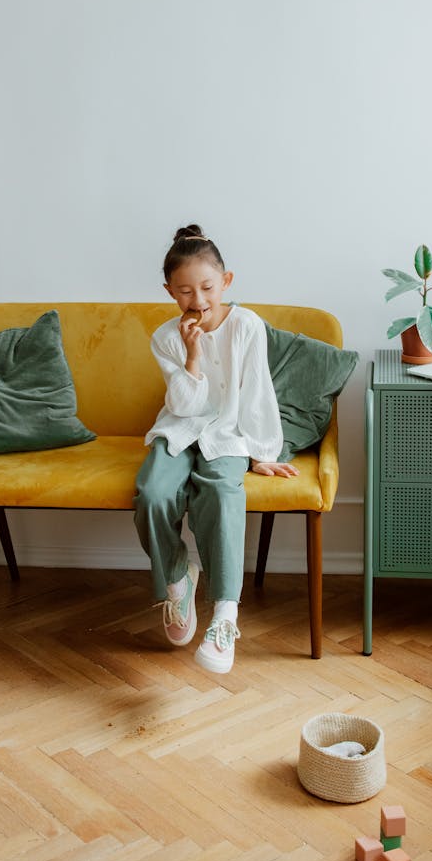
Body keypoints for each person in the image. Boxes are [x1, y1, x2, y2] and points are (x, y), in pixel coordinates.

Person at [134, 224, 298, 673]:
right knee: (151, 491)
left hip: (226, 433)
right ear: (170, 292)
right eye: (185, 291)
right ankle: (177, 578)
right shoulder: (166, 337)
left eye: (207, 287)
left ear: (226, 282)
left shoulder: (247, 325)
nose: (198, 301)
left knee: (223, 493)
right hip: (179, 430)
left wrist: (264, 452)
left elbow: (256, 390)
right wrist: (191, 355)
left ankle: (225, 616)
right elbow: (183, 405)